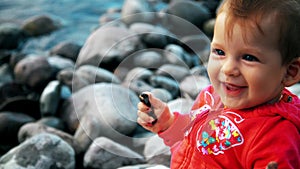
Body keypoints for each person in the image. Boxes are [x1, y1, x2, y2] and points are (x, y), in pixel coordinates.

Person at [137, 0, 300, 168]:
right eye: (220, 52)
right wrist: (168, 123)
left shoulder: (274, 135)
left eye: (249, 57)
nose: (228, 69)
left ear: (290, 72)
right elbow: (198, 139)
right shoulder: (213, 97)